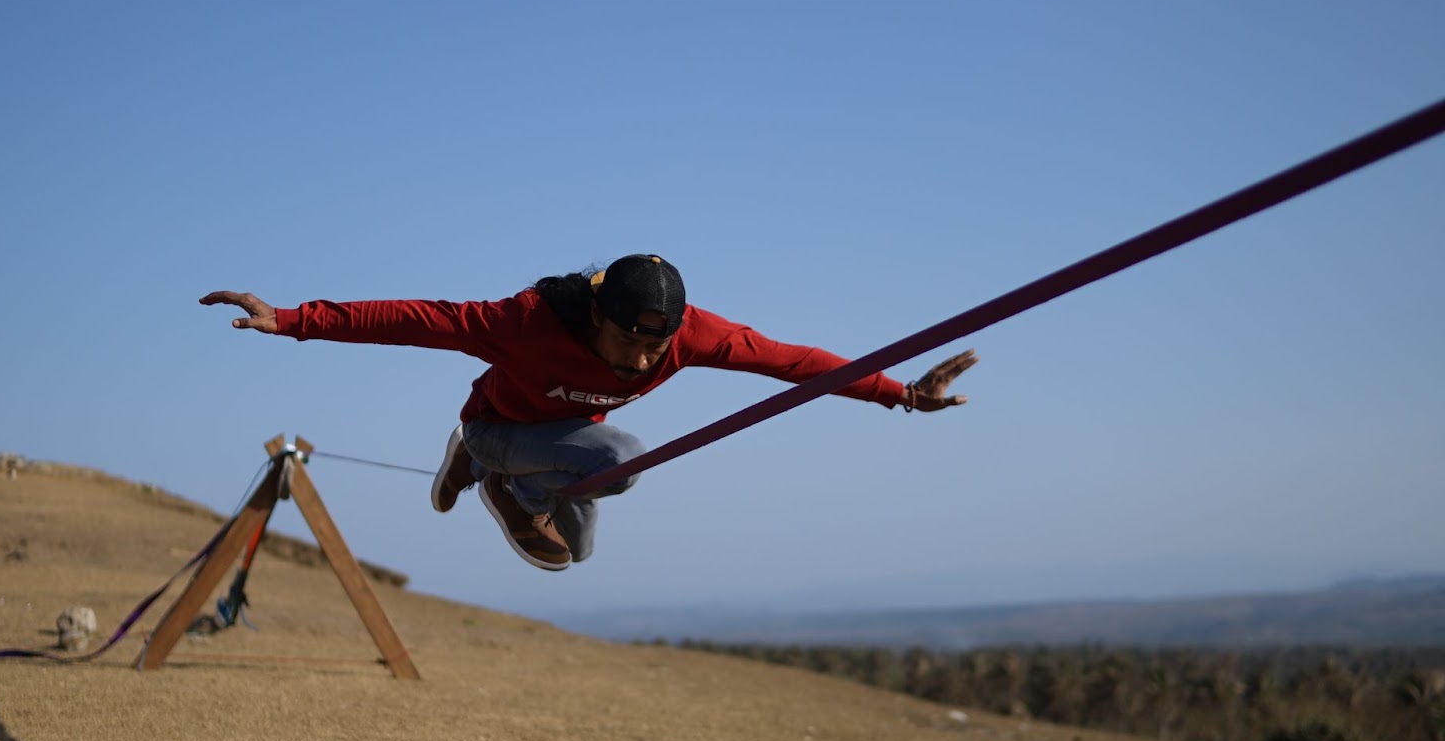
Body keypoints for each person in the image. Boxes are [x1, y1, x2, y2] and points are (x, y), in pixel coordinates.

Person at [201, 254, 977, 573]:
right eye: (628, 343)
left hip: (560, 444)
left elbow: (794, 363)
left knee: (574, 554)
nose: (642, 362)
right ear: (596, 313)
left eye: (657, 347)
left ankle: (486, 472)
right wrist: (295, 317)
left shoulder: (691, 338)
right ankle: (493, 473)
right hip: (509, 426)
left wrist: (897, 394)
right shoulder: (526, 320)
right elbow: (413, 318)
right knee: (619, 463)